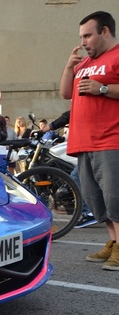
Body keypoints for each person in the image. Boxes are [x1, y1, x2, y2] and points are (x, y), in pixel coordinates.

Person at [59, 10, 119, 270]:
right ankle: (114, 243)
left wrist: (102, 88)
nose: (83, 42)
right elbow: (65, 93)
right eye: (81, 37)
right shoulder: (84, 63)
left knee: (115, 197)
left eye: (88, 35)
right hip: (84, 143)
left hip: (110, 140)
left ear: (105, 31)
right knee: (98, 201)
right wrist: (70, 66)